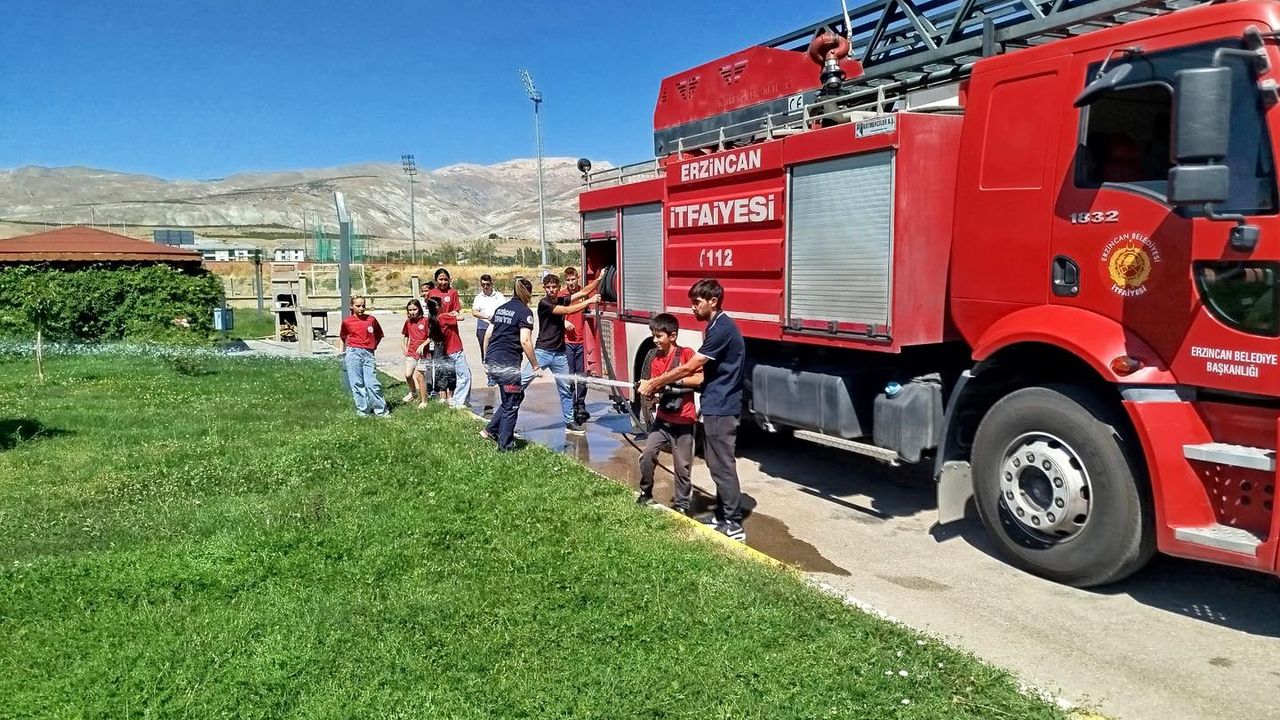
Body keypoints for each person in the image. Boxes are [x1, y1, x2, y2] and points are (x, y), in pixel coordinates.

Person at [638, 278, 746, 541]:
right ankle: (722, 515)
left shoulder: (721, 328)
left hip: (722, 407)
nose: (692, 309)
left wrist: (655, 382)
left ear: (713, 301)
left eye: (696, 303)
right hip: (715, 404)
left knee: (722, 466)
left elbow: (689, 367)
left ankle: (734, 524)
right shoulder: (715, 326)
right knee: (715, 463)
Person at [636, 313, 702, 514]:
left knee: (682, 467)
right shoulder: (655, 358)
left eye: (659, 336)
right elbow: (655, 385)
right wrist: (651, 392)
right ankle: (645, 493)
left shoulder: (686, 354)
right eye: (653, 335)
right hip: (663, 420)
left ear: (672, 336)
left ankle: (682, 505)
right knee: (647, 456)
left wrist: (673, 382)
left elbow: (700, 378)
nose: (655, 340)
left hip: (684, 421)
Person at [481, 277, 544, 451]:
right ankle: (505, 446)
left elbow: (487, 335)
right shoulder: (525, 312)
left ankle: (490, 430)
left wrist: (487, 360)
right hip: (508, 364)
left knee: (515, 396)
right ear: (528, 293)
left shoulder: (501, 309)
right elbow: (525, 341)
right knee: (512, 403)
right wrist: (535, 366)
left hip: (493, 360)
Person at [537, 272, 602, 434]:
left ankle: (569, 422)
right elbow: (569, 309)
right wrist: (590, 300)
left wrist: (599, 280)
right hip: (543, 351)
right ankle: (506, 415)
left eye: (554, 287)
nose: (551, 290)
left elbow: (581, 292)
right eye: (548, 287)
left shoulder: (560, 299)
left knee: (565, 388)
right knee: (521, 383)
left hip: (559, 354)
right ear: (545, 288)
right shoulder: (544, 303)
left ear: (558, 288)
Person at [428, 268, 472, 410]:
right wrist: (450, 315)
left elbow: (458, 313)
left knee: (454, 368)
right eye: (440, 279)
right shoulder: (432, 294)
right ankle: (444, 395)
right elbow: (458, 316)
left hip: (450, 333)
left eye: (446, 279)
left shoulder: (452, 293)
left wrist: (451, 315)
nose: (443, 282)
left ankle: (453, 395)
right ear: (436, 280)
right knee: (442, 366)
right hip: (441, 336)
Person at [339, 295, 390, 418]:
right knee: (357, 383)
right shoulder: (347, 321)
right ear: (352, 306)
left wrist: (373, 347)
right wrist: (342, 352)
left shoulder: (371, 320)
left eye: (363, 306)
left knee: (372, 383)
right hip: (353, 353)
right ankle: (363, 410)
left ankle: (381, 410)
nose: (361, 308)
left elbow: (379, 336)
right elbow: (343, 337)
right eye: (358, 306)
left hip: (368, 353)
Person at [560, 267, 591, 425]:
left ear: (578, 278)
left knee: (583, 376)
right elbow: (554, 315)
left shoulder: (584, 294)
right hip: (568, 342)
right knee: (570, 377)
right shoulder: (562, 295)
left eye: (573, 279)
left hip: (582, 342)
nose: (571, 283)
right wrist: (563, 322)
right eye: (568, 280)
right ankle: (572, 406)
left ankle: (581, 404)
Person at [471, 273, 506, 374]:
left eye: (487, 284)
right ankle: (488, 372)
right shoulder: (478, 298)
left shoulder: (499, 296)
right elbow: (474, 312)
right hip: (483, 327)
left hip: (497, 326)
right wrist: (487, 317)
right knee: (485, 350)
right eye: (483, 285)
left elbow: (504, 309)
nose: (485, 287)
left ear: (491, 284)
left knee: (498, 348)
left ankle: (498, 371)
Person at [423, 297, 456, 404]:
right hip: (440, 346)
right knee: (441, 370)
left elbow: (460, 318)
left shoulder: (440, 317)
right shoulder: (432, 319)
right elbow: (430, 336)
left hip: (447, 345)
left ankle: (450, 395)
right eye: (439, 305)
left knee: (449, 370)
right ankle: (443, 395)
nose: (441, 306)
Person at [401, 299, 430, 408]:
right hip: (411, 352)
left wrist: (423, 345)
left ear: (419, 309)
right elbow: (405, 335)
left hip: (423, 353)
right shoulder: (408, 322)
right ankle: (413, 393)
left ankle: (424, 401)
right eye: (410, 310)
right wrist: (404, 346)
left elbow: (431, 336)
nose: (412, 312)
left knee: (419, 376)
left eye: (414, 309)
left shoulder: (426, 321)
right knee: (408, 375)